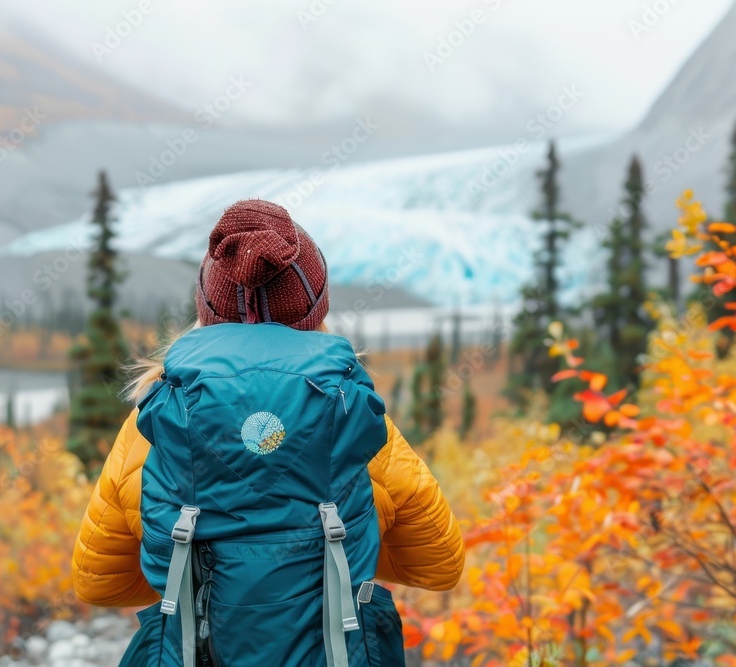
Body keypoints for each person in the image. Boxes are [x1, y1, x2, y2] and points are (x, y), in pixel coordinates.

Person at [73, 199, 465, 667]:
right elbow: (439, 565)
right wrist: (331, 566)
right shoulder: (354, 421)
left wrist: (202, 585)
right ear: (315, 309)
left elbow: (99, 583)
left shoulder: (154, 424)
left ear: (206, 308)